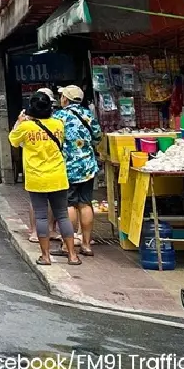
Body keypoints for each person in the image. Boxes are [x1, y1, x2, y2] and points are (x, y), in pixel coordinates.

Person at [9, 89, 80, 266]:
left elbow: (13, 140)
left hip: (36, 178)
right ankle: (72, 255)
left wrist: (19, 122)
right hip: (58, 175)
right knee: (62, 215)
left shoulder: (26, 127)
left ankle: (46, 256)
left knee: (41, 217)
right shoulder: (58, 124)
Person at [56, 84, 102, 257]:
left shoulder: (59, 117)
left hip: (67, 167)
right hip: (88, 167)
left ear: (65, 99)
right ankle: (86, 244)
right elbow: (97, 136)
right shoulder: (88, 115)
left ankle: (67, 244)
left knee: (68, 205)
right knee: (85, 203)